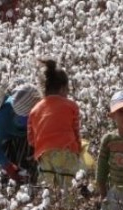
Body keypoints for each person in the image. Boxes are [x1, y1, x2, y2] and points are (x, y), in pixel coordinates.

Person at [28, 59, 82, 191]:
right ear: (63, 88)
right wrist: (78, 149)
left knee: (49, 189)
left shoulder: (34, 110)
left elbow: (31, 140)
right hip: (67, 152)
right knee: (69, 189)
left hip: (44, 155)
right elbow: (75, 132)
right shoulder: (71, 106)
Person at [0, 84, 41, 183]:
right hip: (9, 141)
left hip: (28, 137)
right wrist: (8, 167)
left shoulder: (38, 113)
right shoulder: (2, 118)